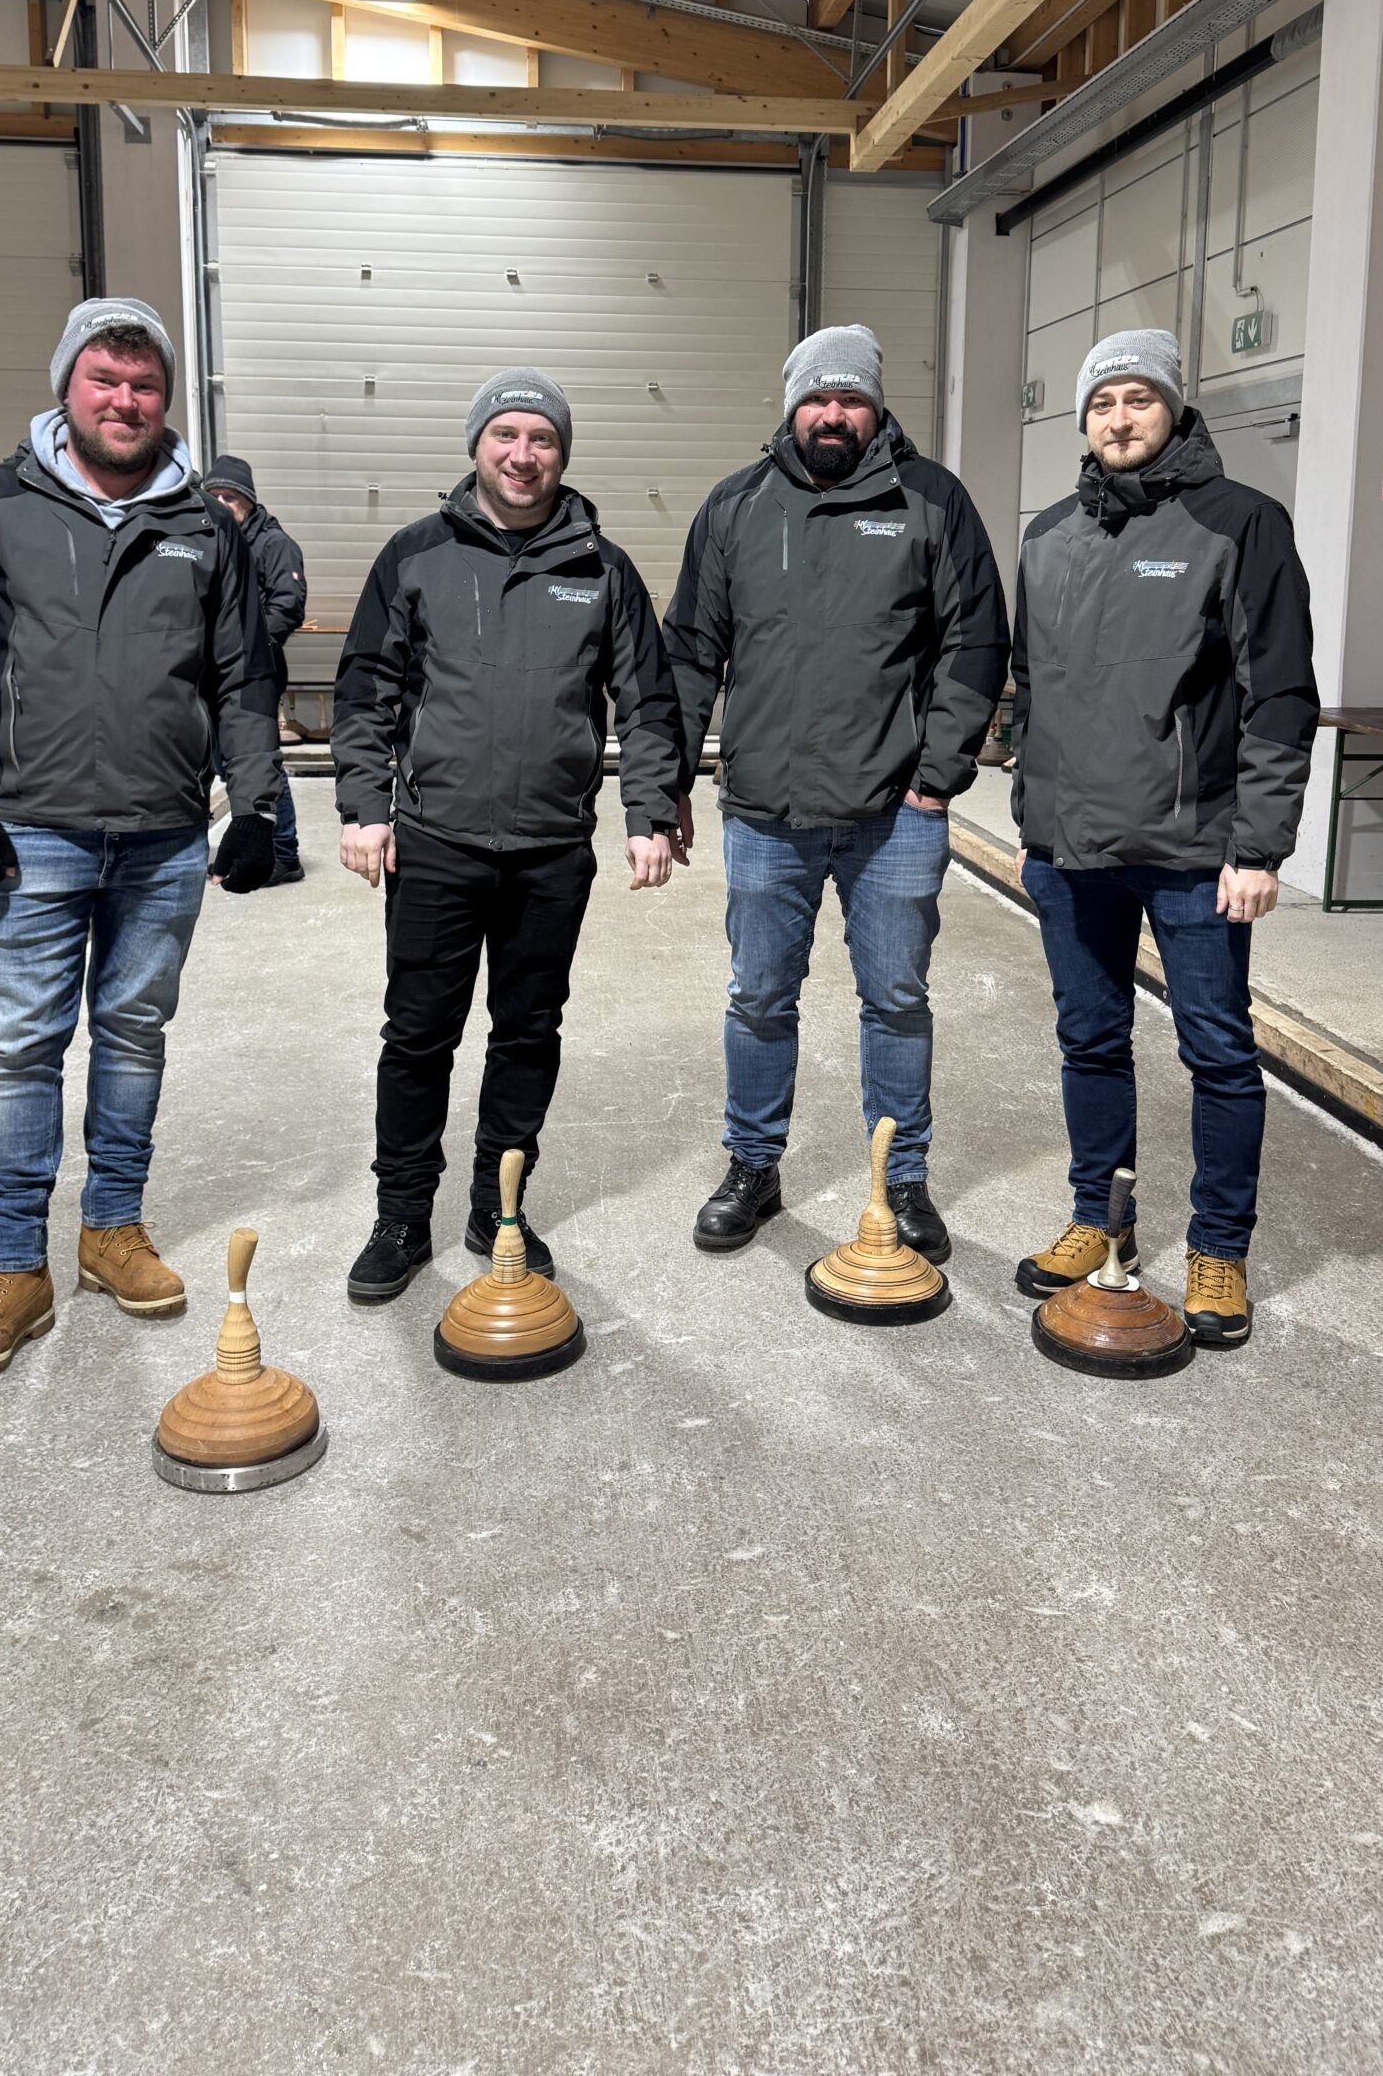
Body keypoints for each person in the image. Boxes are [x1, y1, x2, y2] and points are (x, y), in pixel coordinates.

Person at [0, 297, 282, 1385]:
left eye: (145, 384)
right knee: (22, 1045)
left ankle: (111, 1228)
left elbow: (242, 679)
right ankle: (10, 1269)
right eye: (105, 381)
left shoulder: (206, 525)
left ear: (168, 398)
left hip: (164, 835)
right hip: (30, 829)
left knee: (132, 1033)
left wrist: (255, 805)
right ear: (68, 387)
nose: (126, 401)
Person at [334, 371, 682, 1302]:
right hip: (435, 842)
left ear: (562, 455)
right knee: (418, 1037)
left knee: (528, 1031)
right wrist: (365, 806)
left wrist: (648, 813)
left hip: (550, 849)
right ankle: (402, 1215)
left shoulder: (603, 569)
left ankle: (500, 1205)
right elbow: (365, 690)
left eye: (542, 439)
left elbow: (648, 703)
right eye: (506, 435)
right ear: (477, 445)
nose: (523, 455)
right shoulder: (416, 555)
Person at [664, 324, 1008, 1260]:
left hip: (894, 814)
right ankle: (753, 1164)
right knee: (758, 998)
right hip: (764, 813)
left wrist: (936, 777)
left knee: (895, 1000)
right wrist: (669, 784)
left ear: (875, 408)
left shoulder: (931, 500)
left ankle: (901, 1179)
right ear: (791, 407)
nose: (832, 414)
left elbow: (974, 643)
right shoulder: (736, 506)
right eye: (817, 397)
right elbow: (690, 651)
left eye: (850, 398)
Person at [1010, 328, 1318, 1348]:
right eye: (1102, 403)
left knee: (1217, 1051)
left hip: (1194, 852)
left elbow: (1280, 695)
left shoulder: (1240, 523)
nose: (1119, 418)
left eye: (1138, 398)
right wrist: (1033, 822)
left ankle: (1219, 1247)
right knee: (1089, 1039)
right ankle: (1100, 1216)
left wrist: (1260, 847)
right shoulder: (1050, 534)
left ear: (1175, 408)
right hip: (1072, 852)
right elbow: (1031, 691)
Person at [203, 453, 308, 885]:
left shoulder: (273, 544)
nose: (222, 503)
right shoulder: (205, 538)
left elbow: (288, 606)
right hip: (207, 674)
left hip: (254, 671)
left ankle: (283, 852)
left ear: (248, 501)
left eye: (231, 497)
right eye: (214, 495)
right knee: (215, 759)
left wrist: (246, 647)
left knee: (257, 762)